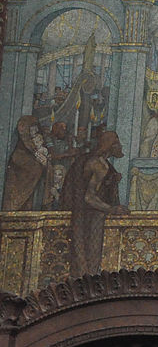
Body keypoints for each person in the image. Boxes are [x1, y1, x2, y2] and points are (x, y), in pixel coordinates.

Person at [62, 131, 129, 277]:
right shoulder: (99, 165)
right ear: (111, 145)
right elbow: (89, 197)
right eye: (117, 142)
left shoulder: (96, 161)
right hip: (89, 218)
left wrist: (112, 181)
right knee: (89, 260)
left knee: (86, 262)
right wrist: (112, 209)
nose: (120, 146)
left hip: (85, 216)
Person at [2, 115, 50, 210]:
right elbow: (30, 169)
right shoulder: (20, 152)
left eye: (36, 128)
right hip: (17, 193)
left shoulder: (35, 147)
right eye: (32, 129)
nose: (36, 131)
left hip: (30, 194)